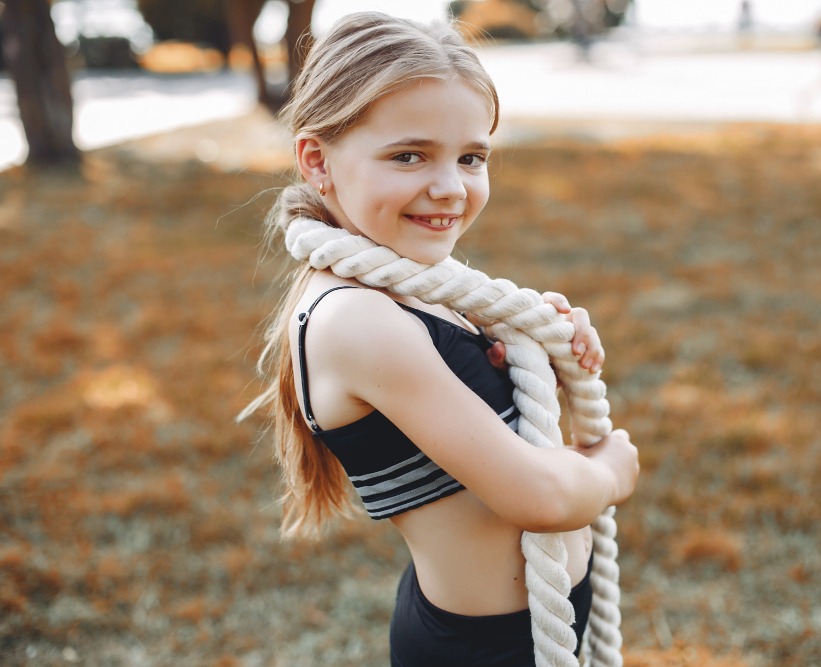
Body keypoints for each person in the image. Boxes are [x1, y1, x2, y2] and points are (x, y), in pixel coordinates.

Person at [240, 11, 640, 667]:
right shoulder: (354, 318)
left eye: (471, 157)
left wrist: (541, 348)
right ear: (318, 159)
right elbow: (537, 495)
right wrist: (611, 469)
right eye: (409, 155)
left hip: (546, 615)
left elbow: (496, 434)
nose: (450, 187)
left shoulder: (417, 282)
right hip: (486, 648)